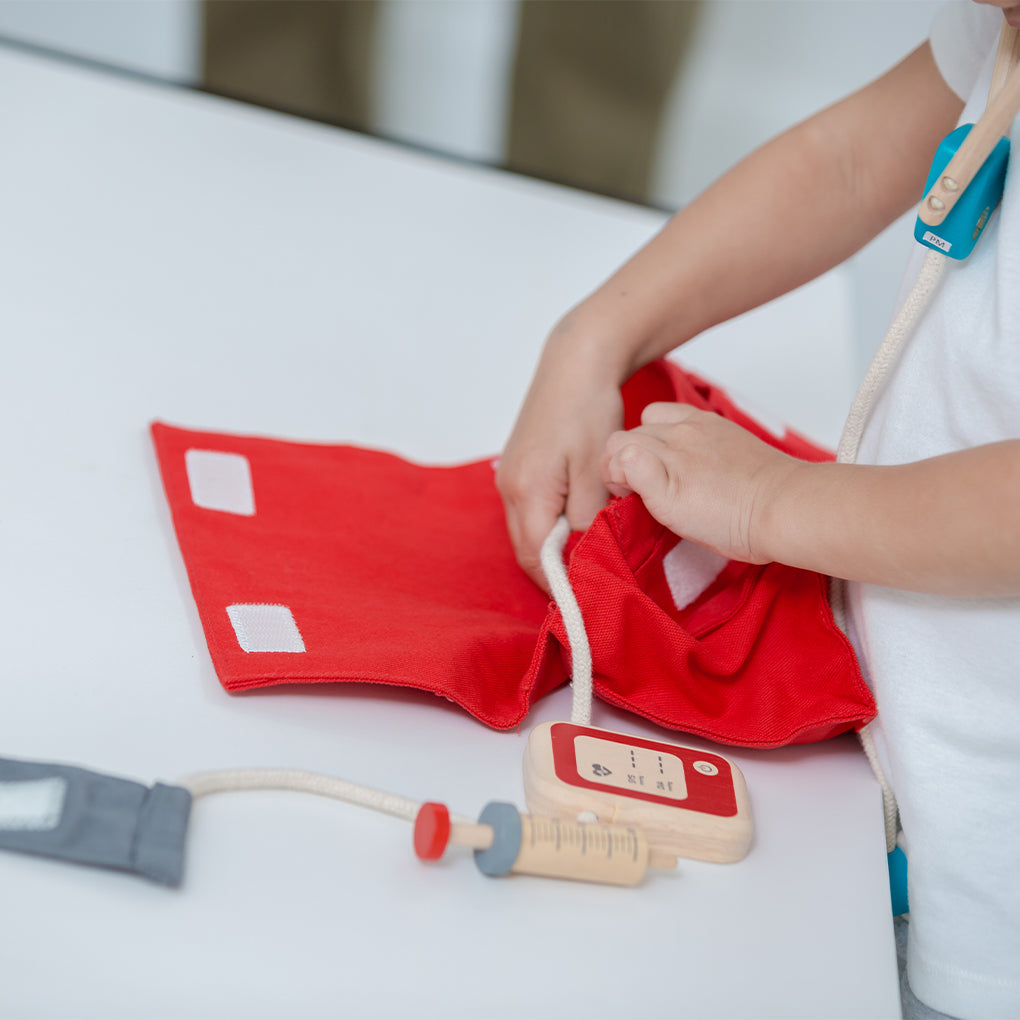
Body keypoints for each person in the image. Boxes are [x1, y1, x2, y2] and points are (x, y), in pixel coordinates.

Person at [496, 2, 1020, 1018]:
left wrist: (775, 500)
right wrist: (593, 337)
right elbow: (848, 161)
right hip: (872, 766)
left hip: (984, 890)